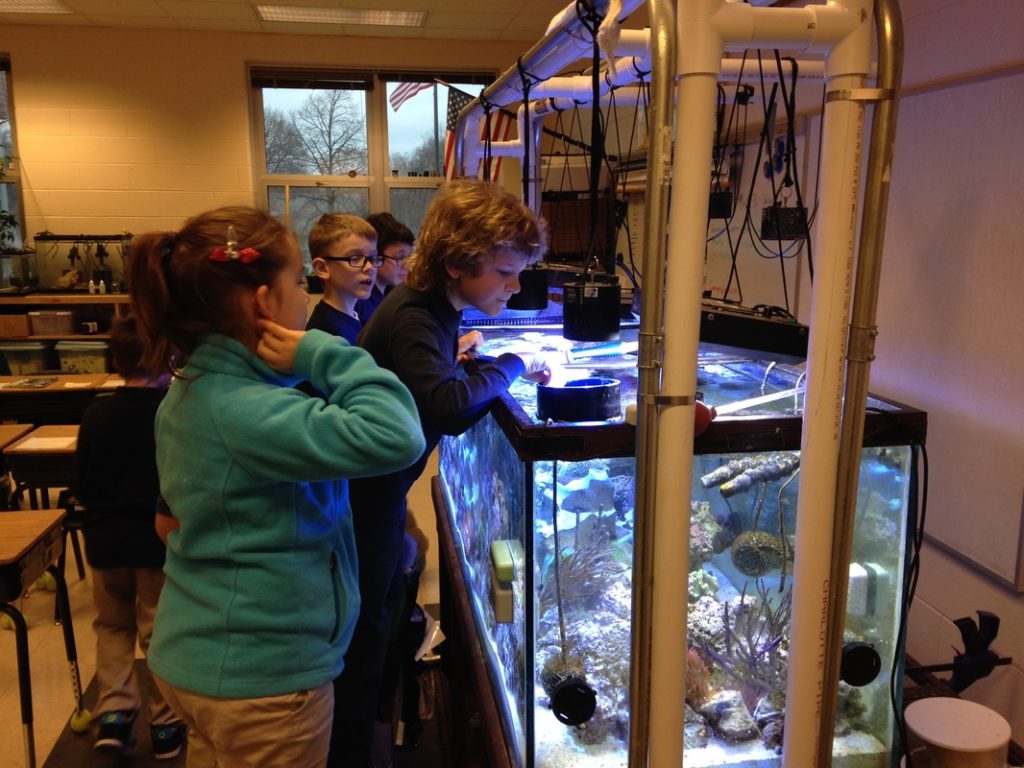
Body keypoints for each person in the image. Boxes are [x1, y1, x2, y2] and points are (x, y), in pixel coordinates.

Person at [128, 205, 426, 768]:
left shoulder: (198, 384)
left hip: (202, 656)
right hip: (263, 681)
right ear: (262, 301)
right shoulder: (249, 412)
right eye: (297, 282)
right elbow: (398, 432)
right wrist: (320, 350)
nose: (304, 297)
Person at [329, 180, 552, 767]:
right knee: (366, 633)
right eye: (506, 271)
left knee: (378, 623)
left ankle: (368, 735)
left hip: (375, 492)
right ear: (456, 263)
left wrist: (466, 359)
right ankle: (354, 751)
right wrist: (517, 361)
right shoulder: (412, 316)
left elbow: (433, 379)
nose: (516, 285)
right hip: (362, 498)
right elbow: (447, 408)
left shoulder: (432, 310)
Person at [70, 315, 187, 760]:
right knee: (159, 632)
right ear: (169, 357)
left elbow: (81, 483)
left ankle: (115, 716)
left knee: (112, 625)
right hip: (155, 544)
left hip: (103, 543)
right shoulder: (170, 414)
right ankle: (165, 724)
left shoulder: (96, 413)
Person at [306, 213, 381, 345]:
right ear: (322, 268)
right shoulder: (326, 333)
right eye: (355, 258)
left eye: (373, 258)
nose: (370, 267)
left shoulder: (356, 315)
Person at [355, 212, 414, 324]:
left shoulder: (392, 294)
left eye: (409, 256)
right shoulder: (362, 304)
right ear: (376, 256)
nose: (407, 265)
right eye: (400, 257)